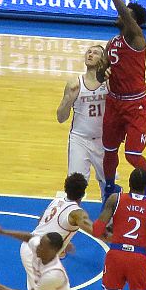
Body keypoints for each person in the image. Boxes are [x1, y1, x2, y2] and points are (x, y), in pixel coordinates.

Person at [97, 0, 146, 202]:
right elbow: (102, 76)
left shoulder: (137, 38)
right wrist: (102, 72)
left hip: (135, 103)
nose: (119, 14)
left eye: (126, 14)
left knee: (133, 154)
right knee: (109, 151)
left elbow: (123, 10)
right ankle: (110, 189)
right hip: (114, 102)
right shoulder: (112, 42)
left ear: (133, 22)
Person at [57, 46, 109, 190]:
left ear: (103, 59)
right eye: (89, 52)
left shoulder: (109, 83)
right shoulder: (74, 84)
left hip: (103, 140)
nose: (90, 54)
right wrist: (68, 100)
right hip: (79, 139)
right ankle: (72, 210)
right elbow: (61, 118)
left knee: (108, 185)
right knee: (75, 185)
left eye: (96, 53)